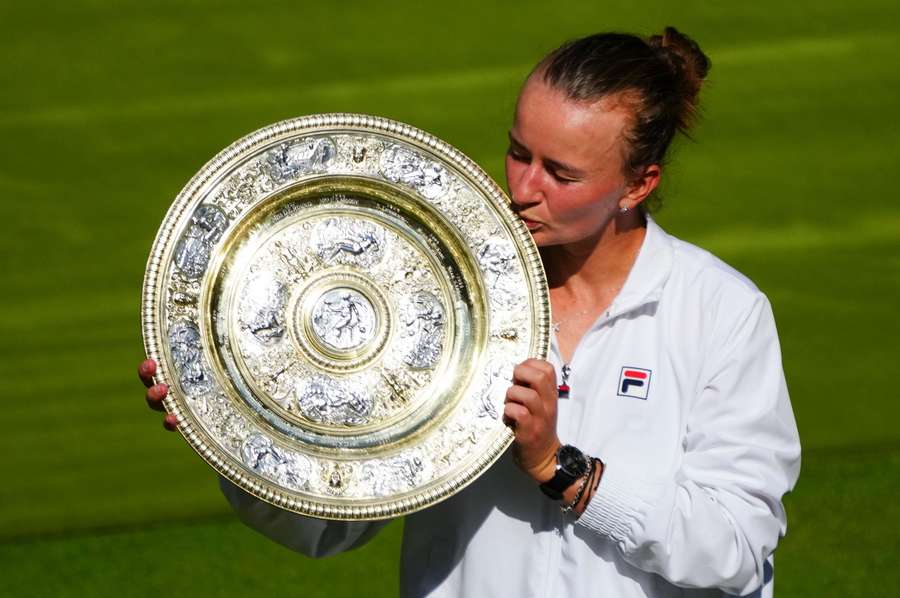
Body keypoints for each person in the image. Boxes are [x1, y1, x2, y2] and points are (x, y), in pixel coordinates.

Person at [140, 27, 801, 597]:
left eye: (560, 173)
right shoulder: (438, 296)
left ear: (638, 183)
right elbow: (327, 529)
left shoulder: (719, 313)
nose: (522, 188)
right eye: (518, 152)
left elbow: (734, 552)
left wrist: (561, 469)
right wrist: (237, 435)